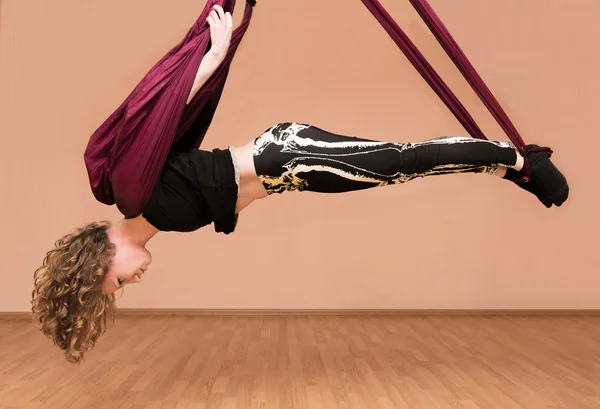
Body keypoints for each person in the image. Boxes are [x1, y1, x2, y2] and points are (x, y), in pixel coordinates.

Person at [31, 5, 568, 364]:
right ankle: (512, 165)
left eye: (118, 284)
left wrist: (212, 57)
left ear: (103, 259)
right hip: (291, 170)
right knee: (403, 164)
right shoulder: (148, 211)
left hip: (285, 156)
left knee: (403, 161)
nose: (133, 285)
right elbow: (166, 134)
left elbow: (162, 118)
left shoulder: (134, 193)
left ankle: (517, 160)